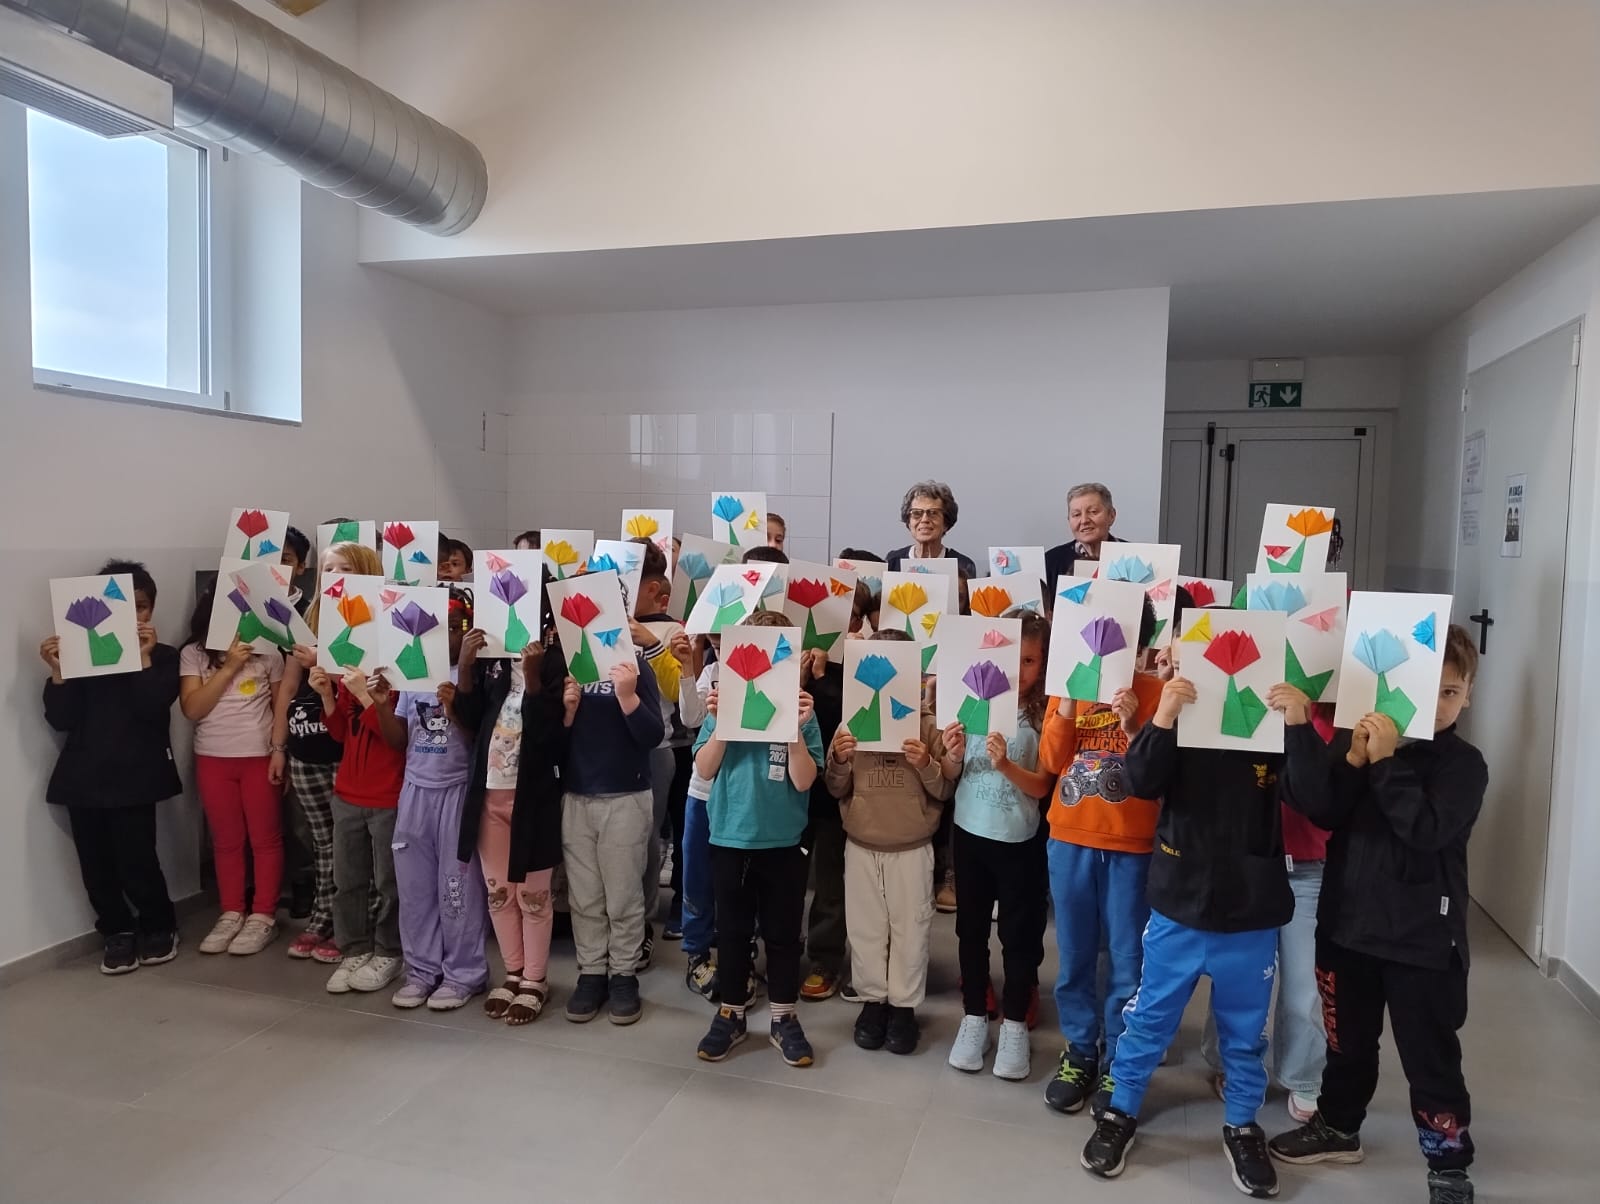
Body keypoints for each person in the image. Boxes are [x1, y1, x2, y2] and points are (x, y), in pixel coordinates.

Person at [1269, 628, 1486, 1204]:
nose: (1436, 704)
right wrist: (1316, 737)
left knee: (1430, 1059)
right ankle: (1339, 1128)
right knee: (1346, 1045)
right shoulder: (1358, 739)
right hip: (1348, 929)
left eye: (1450, 692)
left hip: (1422, 943)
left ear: (1468, 697)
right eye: (1426, 688)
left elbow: (1425, 829)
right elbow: (1321, 807)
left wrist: (1386, 762)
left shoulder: (1464, 765)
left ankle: (1448, 1166)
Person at [1079, 642, 1301, 1199]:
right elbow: (1140, 781)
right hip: (1179, 904)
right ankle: (1121, 1109)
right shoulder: (1176, 718)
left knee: (1244, 1033)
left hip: (1250, 910)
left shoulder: (1269, 724)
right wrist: (1163, 716)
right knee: (1149, 1017)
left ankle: (1242, 1123)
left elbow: (1316, 797)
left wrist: (1297, 724)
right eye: (1180, 663)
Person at [1039, 598, 1166, 1113]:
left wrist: (1134, 725)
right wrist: (1070, 703)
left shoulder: (1155, 693)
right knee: (1074, 955)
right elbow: (1052, 760)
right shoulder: (1066, 688)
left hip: (1131, 846)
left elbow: (1158, 773)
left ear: (1140, 646)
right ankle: (1080, 1050)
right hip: (1069, 838)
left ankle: (1120, 1059)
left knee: (1127, 958)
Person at [693, 610, 826, 1067]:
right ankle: (731, 1012)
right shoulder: (724, 707)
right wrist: (722, 724)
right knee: (731, 932)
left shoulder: (803, 716)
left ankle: (784, 1016)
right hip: (730, 839)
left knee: (784, 934)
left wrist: (794, 730)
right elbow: (704, 768)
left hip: (783, 844)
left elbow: (804, 780)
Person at [40, 559, 182, 975]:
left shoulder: (164, 656)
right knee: (95, 863)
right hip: (83, 775)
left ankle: (159, 924)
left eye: (141, 606)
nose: (133, 615)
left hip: (136, 774)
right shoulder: (81, 652)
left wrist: (143, 658)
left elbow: (153, 706)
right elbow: (61, 719)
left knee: (138, 858)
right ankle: (116, 930)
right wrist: (59, 672)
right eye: (123, 606)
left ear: (151, 610)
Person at [1205, 703, 1336, 1124]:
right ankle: (1232, 1060)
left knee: (1305, 983)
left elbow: (1329, 794)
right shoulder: (1246, 698)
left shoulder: (1334, 717)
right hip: (1247, 859)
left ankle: (1303, 1074)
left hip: (1309, 865)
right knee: (1238, 973)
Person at [827, 629, 953, 1055]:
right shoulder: (851, 723)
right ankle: (873, 1002)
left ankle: (903, 1007)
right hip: (862, 843)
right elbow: (835, 787)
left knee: (910, 930)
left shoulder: (927, 727)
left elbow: (944, 791)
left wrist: (926, 763)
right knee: (865, 929)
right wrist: (840, 759)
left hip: (912, 846)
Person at [942, 611, 1054, 1080]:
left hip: (1019, 840)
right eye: (1013, 658)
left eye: (1030, 660)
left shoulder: (1044, 713)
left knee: (1019, 934)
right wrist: (951, 754)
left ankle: (1013, 1025)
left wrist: (1006, 765)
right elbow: (953, 773)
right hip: (969, 832)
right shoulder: (973, 697)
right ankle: (973, 1017)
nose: (1020, 670)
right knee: (970, 929)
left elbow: (1042, 786)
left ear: (1044, 663)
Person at [454, 583, 570, 1025]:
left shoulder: (556, 661)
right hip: (488, 794)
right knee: (499, 892)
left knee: (533, 896)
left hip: (533, 798)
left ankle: (536, 978)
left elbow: (550, 734)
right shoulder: (493, 661)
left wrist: (534, 676)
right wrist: (467, 667)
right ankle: (514, 972)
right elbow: (468, 718)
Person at [271, 539, 385, 963]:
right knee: (323, 842)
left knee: (358, 847)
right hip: (308, 744)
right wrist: (279, 745)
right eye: (328, 569)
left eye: (345, 569)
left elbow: (372, 684)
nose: (334, 577)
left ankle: (358, 923)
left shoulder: (376, 620)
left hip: (351, 749)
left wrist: (328, 663)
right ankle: (325, 916)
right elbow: (288, 685)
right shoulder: (311, 617)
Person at [384, 588, 490, 1011]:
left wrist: (455, 706)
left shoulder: (472, 673)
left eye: (454, 626)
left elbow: (477, 737)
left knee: (457, 888)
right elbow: (400, 738)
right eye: (439, 626)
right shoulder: (413, 670)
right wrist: (377, 703)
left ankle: (464, 972)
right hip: (415, 791)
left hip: (457, 792)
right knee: (414, 888)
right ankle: (421, 971)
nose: (446, 634)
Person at [560, 607, 666, 1025]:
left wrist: (627, 696)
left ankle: (623, 974)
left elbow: (653, 734)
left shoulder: (635, 666)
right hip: (577, 794)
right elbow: (550, 740)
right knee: (585, 895)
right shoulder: (570, 664)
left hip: (626, 796)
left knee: (623, 895)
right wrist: (567, 713)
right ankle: (591, 972)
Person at [179, 588, 287, 957]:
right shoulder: (194, 654)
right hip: (213, 757)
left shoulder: (269, 653)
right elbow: (192, 709)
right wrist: (228, 667)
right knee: (225, 840)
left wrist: (279, 752)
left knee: (265, 838)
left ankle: (263, 915)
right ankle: (231, 912)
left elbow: (280, 707)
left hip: (259, 756)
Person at [307, 655, 407, 994]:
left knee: (389, 882)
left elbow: (396, 741)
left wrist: (365, 695)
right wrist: (327, 695)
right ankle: (354, 950)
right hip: (348, 795)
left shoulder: (403, 678)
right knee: (347, 881)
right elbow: (340, 734)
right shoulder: (353, 676)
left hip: (388, 797)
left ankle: (389, 951)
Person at [633, 570, 703, 946]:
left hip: (674, 743)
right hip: (633, 745)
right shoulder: (612, 626)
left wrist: (652, 644)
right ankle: (641, 915)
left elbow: (679, 690)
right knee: (644, 833)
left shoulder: (673, 629)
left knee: (682, 830)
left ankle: (681, 903)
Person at [884, 481, 978, 577]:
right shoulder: (893, 562)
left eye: (933, 513)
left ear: (946, 523)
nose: (924, 519)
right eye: (916, 513)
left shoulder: (964, 565)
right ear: (909, 522)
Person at [1043, 483, 1123, 592]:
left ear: (1111, 515)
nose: (1084, 520)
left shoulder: (1135, 556)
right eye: (1076, 514)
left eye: (1093, 512)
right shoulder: (1051, 561)